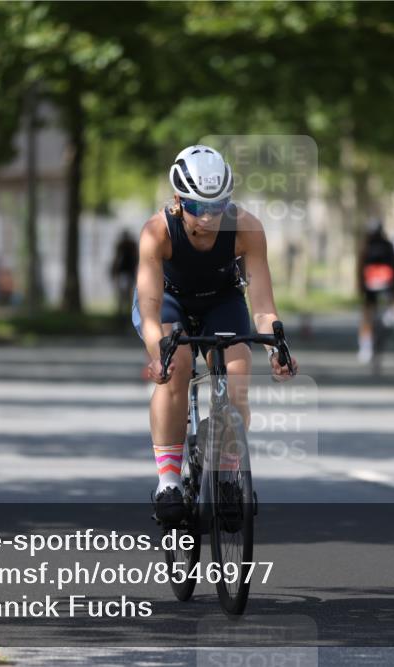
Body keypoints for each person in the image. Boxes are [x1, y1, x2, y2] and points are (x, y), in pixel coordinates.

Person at [133, 144, 298, 523]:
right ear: (178, 200)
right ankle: (169, 480)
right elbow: (149, 306)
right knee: (177, 365)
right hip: (168, 302)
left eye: (218, 206)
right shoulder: (157, 232)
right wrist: (158, 353)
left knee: (238, 370)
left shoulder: (247, 228)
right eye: (196, 207)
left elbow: (262, 304)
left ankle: (225, 471)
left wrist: (277, 347)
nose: (208, 217)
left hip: (221, 300)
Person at [357, 219, 394, 363]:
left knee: (367, 315)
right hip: (382, 285)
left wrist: (360, 285)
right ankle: (366, 345)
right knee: (369, 315)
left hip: (375, 285)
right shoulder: (387, 246)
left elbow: (360, 268)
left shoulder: (367, 246)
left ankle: (365, 346)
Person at [110, 229, 139, 322]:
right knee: (124, 294)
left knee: (124, 294)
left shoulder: (126, 246)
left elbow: (117, 259)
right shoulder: (128, 246)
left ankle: (124, 314)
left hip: (126, 272)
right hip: (125, 272)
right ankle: (124, 314)